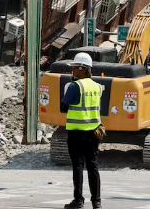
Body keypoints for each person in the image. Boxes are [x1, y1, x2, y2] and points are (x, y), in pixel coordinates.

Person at [60, 52, 101, 209]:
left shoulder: (75, 86)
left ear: (83, 69)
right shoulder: (97, 87)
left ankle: (78, 201)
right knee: (93, 166)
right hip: (94, 133)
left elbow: (63, 107)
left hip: (77, 133)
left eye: (75, 68)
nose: (73, 71)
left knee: (78, 166)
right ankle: (96, 202)